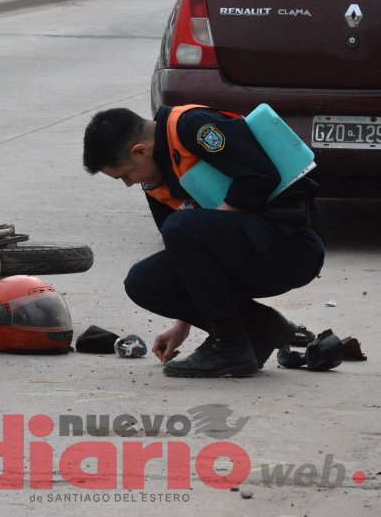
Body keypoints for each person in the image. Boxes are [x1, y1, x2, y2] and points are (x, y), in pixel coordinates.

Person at [82, 105, 325, 378]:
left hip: (291, 248)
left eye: (125, 175)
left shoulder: (193, 127)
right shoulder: (155, 180)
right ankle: (261, 328)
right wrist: (181, 326)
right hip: (245, 253)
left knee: (182, 228)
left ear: (140, 151)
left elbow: (260, 175)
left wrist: (207, 226)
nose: (128, 184)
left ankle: (230, 346)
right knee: (143, 282)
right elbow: (187, 256)